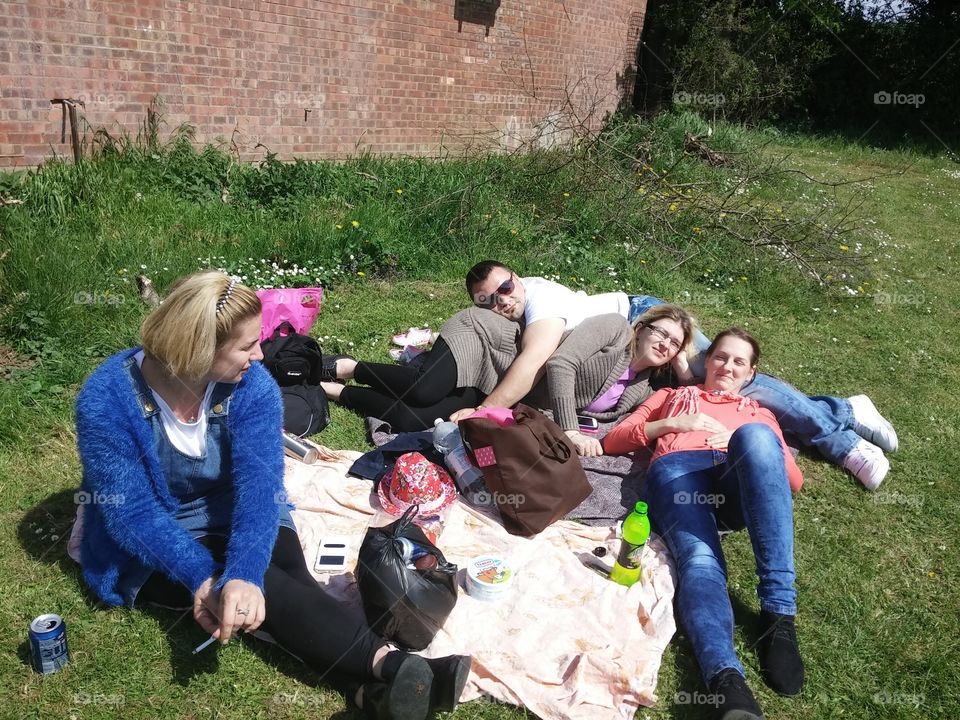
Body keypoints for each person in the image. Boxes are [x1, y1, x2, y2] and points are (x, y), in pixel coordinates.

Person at [74, 271, 470, 720]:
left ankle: (371, 695)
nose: (259, 356)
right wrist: (205, 578)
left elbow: (261, 487)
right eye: (245, 346)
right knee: (268, 587)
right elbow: (134, 516)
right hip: (161, 533)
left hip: (237, 506)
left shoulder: (252, 386)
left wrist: (242, 570)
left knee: (277, 579)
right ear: (198, 349)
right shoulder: (107, 398)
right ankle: (394, 666)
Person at [457, 260, 898, 489]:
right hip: (629, 353)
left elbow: (537, 360)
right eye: (486, 300)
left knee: (726, 378)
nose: (500, 301)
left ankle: (840, 441)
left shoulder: (541, 301)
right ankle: (842, 408)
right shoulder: (514, 301)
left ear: (519, 279)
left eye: (505, 288)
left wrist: (484, 409)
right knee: (718, 390)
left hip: (647, 320)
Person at [604, 328, 804, 720]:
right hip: (680, 473)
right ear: (707, 361)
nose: (727, 366)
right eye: (720, 357)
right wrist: (673, 424)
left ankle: (778, 613)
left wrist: (739, 438)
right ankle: (726, 681)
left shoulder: (758, 413)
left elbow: (791, 480)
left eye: (738, 362)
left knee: (758, 437)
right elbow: (615, 440)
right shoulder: (673, 396)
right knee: (700, 558)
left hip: (732, 477)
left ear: (750, 374)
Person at [320, 306, 522, 431]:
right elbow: (533, 361)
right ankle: (350, 368)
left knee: (409, 420)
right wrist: (484, 411)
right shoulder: (546, 305)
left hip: (495, 383)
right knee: (424, 389)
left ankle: (335, 390)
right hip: (477, 339)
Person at [540, 306, 698, 457]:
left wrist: (681, 364)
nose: (665, 345)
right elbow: (561, 363)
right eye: (661, 333)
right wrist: (570, 431)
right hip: (520, 372)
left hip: (534, 415)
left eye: (675, 343)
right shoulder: (616, 328)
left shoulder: (642, 390)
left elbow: (687, 402)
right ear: (640, 330)